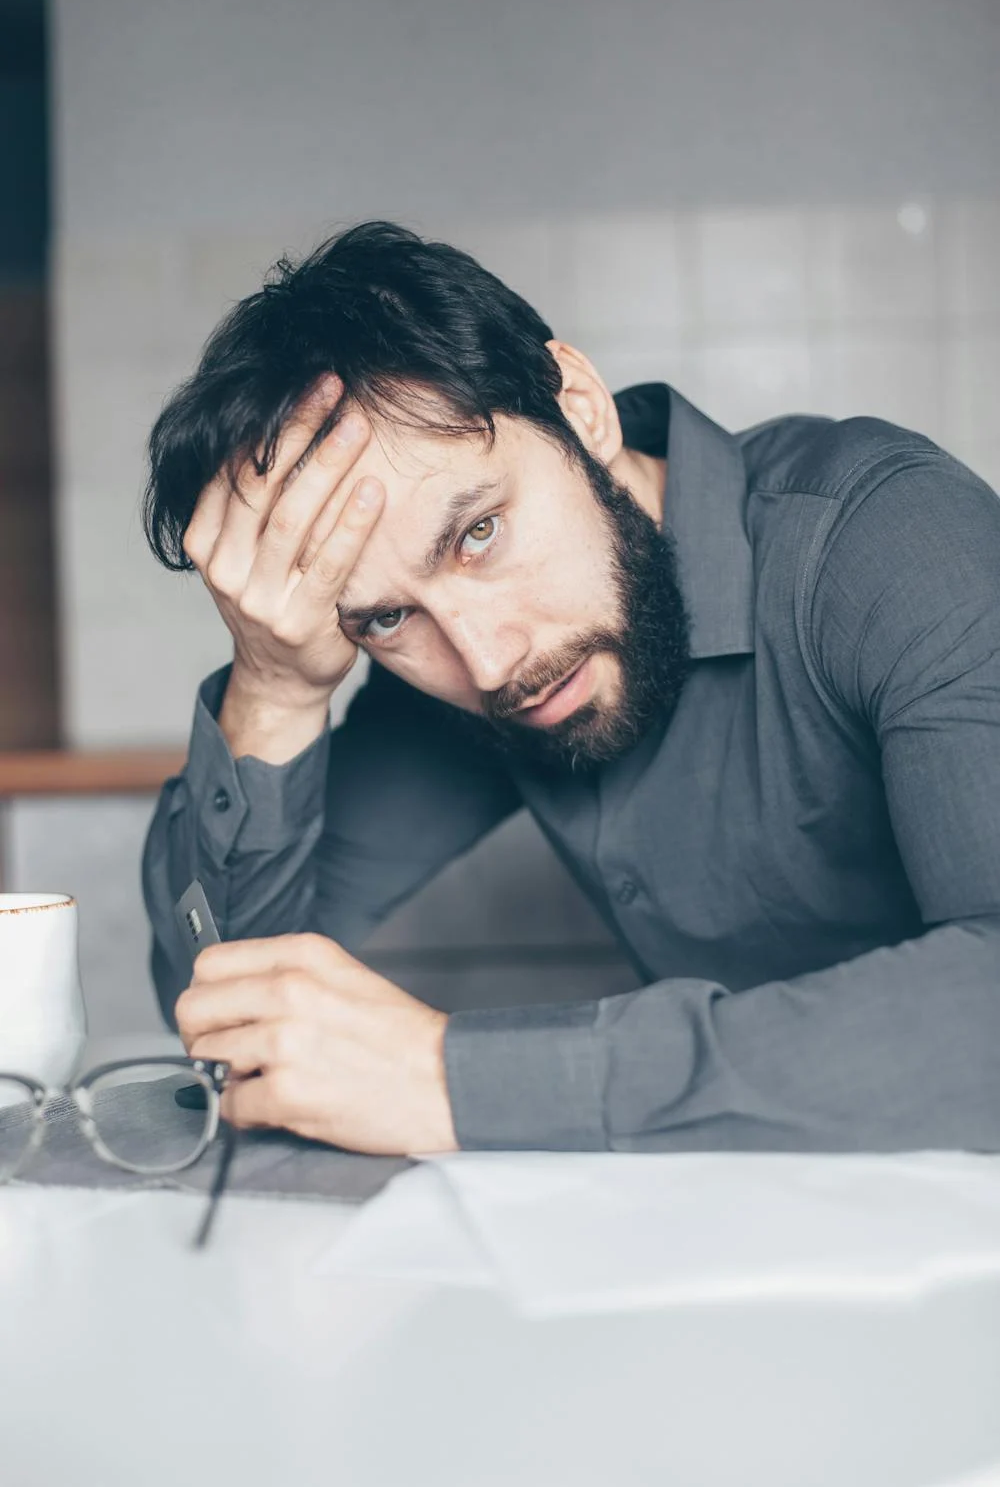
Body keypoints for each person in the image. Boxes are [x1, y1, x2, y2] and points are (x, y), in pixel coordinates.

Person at [141, 220, 1000, 1157]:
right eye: (384, 618)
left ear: (581, 406)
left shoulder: (889, 541)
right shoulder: (469, 674)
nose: (488, 661)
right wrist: (274, 688)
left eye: (478, 533)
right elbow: (228, 1015)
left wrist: (455, 1080)